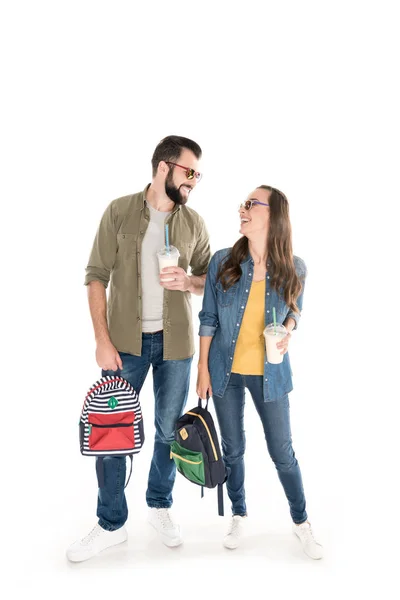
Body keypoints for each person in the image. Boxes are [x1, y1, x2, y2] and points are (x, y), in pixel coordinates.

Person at [67, 135, 211, 562]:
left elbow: (209, 280)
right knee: (111, 433)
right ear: (164, 167)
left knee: (168, 431)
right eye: (189, 172)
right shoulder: (119, 211)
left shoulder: (194, 223)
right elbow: (96, 275)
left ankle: (160, 505)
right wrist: (101, 339)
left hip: (177, 346)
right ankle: (111, 522)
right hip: (124, 346)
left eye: (198, 174)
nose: (194, 181)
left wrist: (189, 281)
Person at [196, 185, 323, 560]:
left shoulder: (294, 267)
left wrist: (288, 330)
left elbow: (295, 311)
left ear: (274, 214)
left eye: (251, 204)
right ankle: (238, 513)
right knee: (233, 450)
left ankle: (301, 522)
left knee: (282, 452)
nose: (243, 209)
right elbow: (208, 319)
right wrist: (202, 368)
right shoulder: (223, 261)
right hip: (224, 373)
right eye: (243, 204)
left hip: (271, 374)